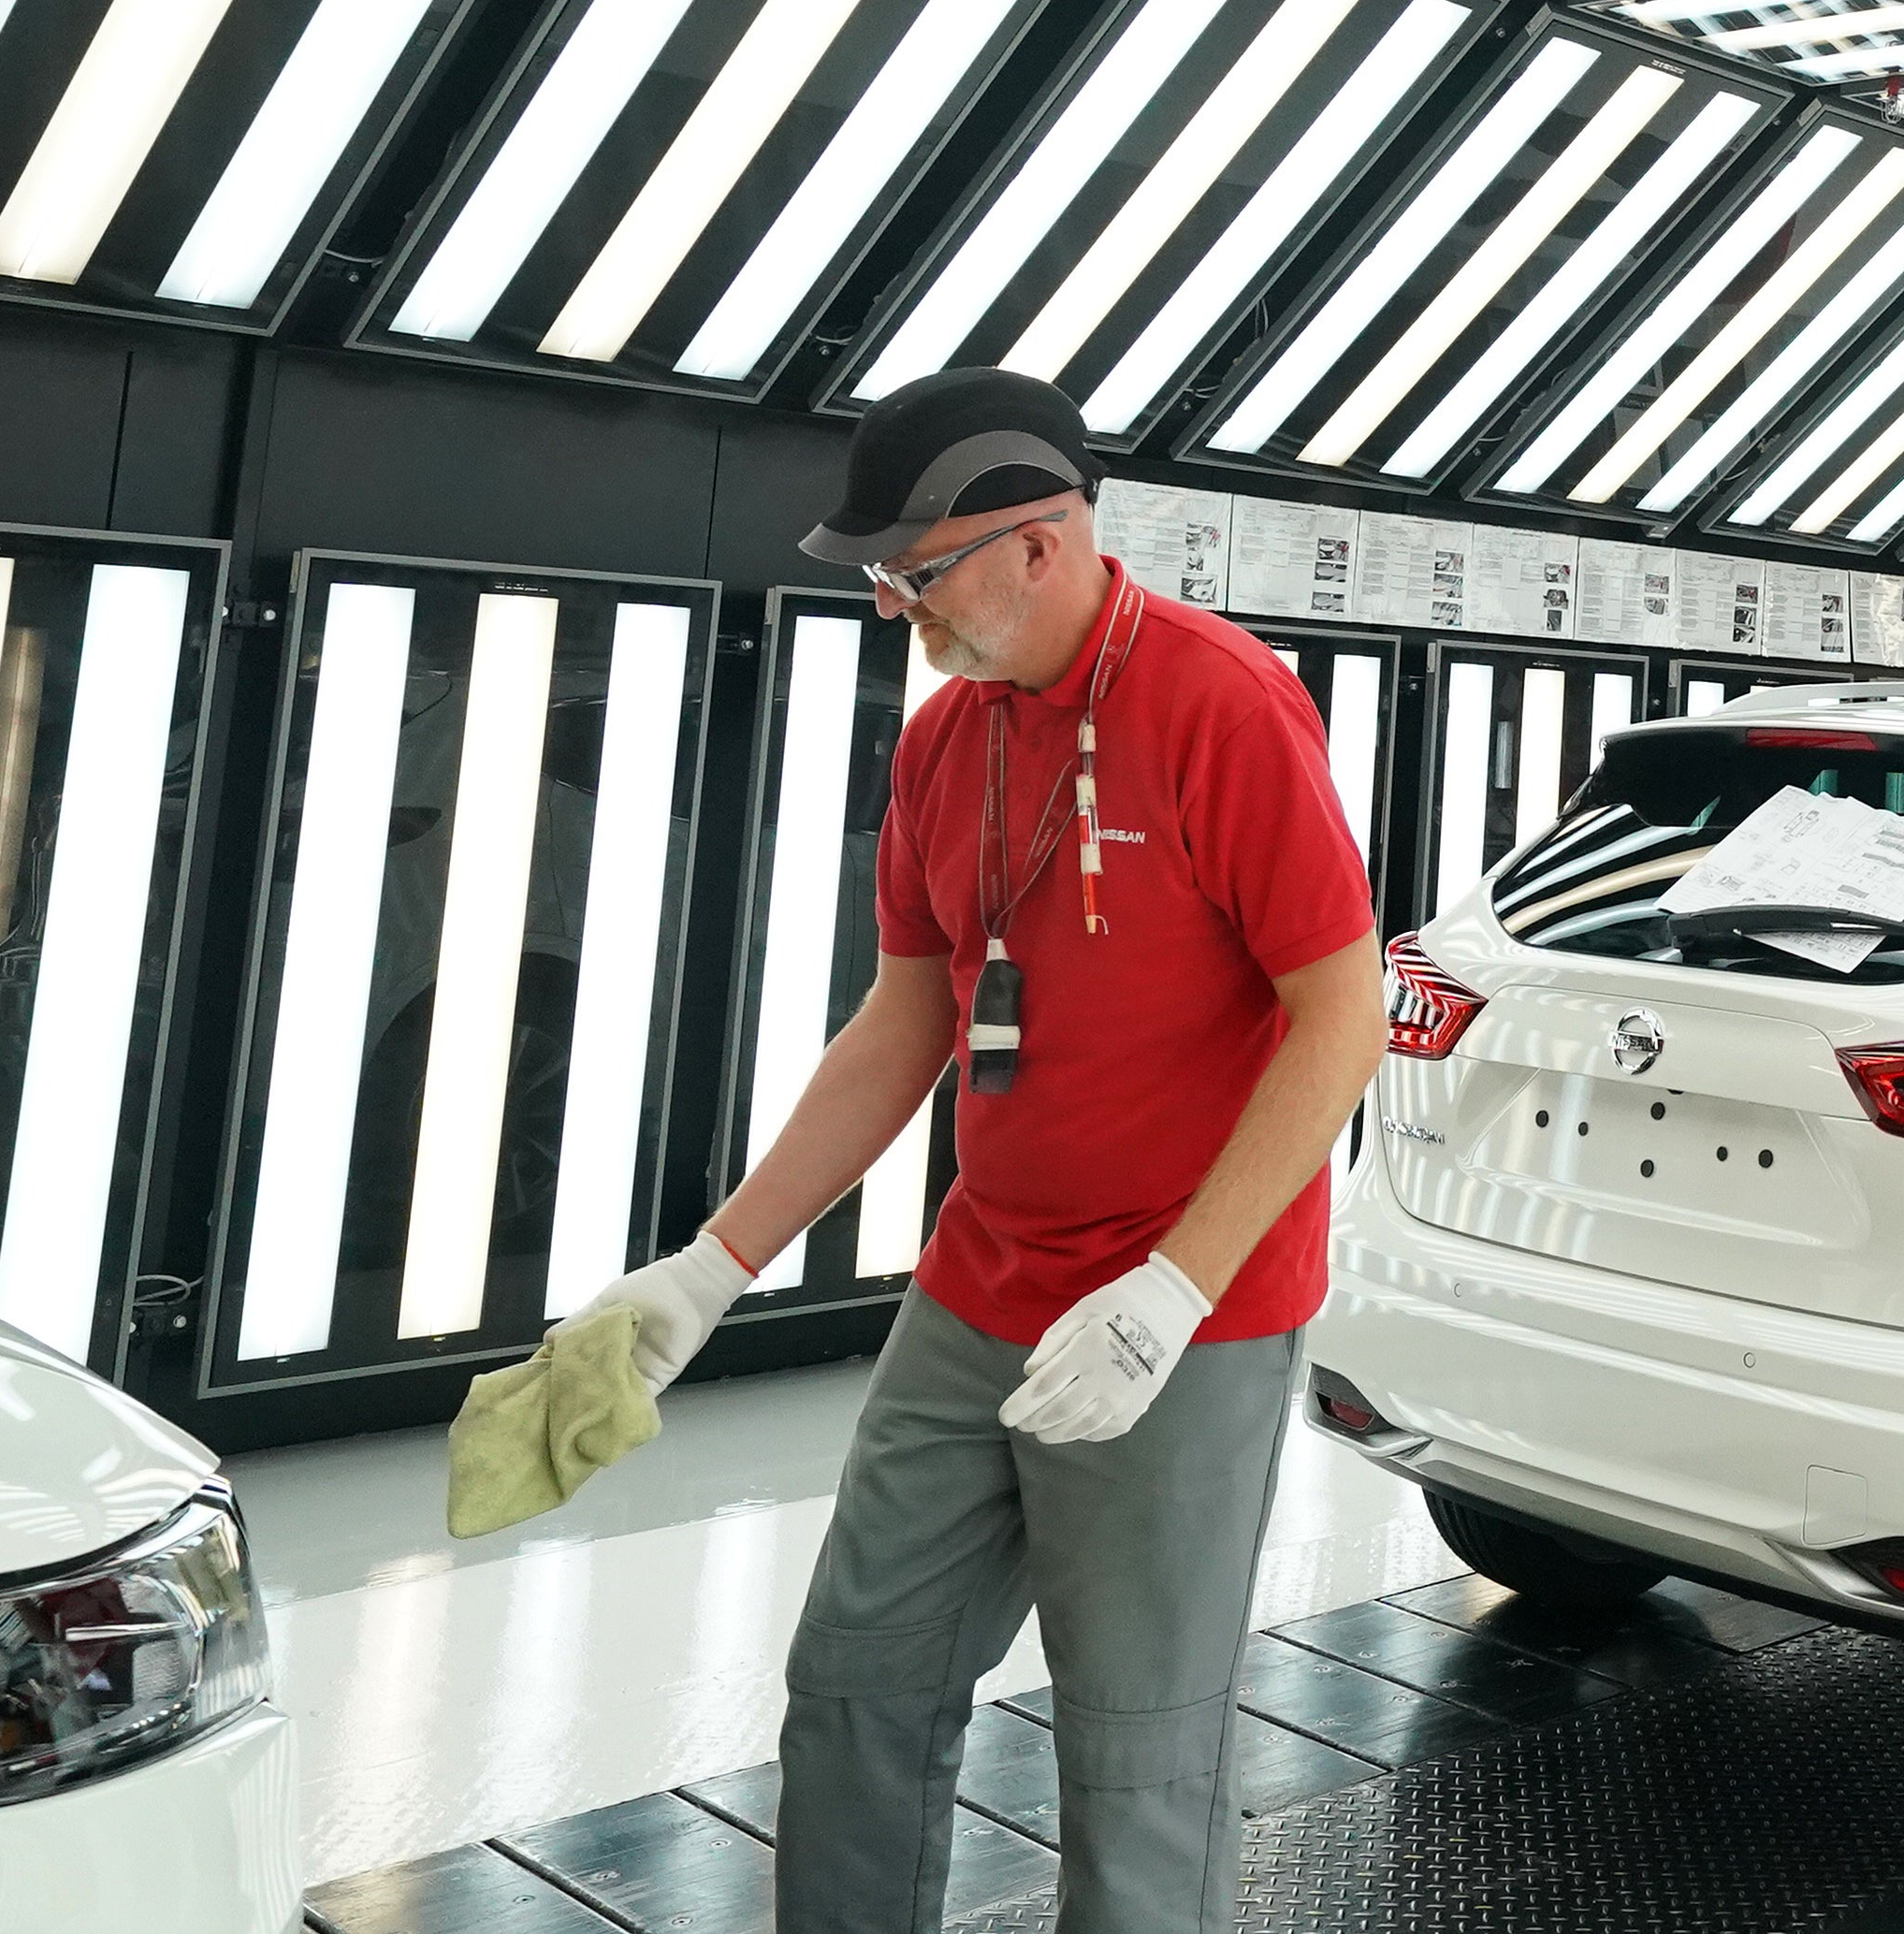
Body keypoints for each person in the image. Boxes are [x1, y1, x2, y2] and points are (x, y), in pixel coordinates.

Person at [571, 370, 1384, 1932]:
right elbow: (905, 1021)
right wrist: (709, 1268)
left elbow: (1338, 1018)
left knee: (1137, 1756)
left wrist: (1169, 1292)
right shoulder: (948, 742)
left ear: (1042, 539)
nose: (897, 611)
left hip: (1182, 1314)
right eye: (882, 577)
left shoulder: (1220, 704)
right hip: (976, 1289)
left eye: (916, 570)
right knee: (855, 1685)